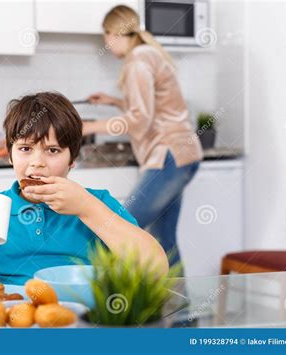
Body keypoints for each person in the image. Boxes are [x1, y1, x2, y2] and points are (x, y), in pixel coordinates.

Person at [0, 91, 168, 285]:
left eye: (53, 150)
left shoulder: (97, 203)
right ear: (9, 155)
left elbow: (156, 270)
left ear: (72, 159)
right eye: (25, 149)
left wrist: (86, 208)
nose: (37, 162)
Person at [83, 5, 203, 268]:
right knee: (164, 242)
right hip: (182, 154)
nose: (106, 43)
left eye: (106, 36)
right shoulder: (147, 54)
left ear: (114, 32)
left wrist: (88, 127)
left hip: (169, 155)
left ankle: (110, 305)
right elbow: (152, 108)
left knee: (121, 228)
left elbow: (140, 119)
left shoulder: (138, 60)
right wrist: (115, 102)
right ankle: (179, 310)